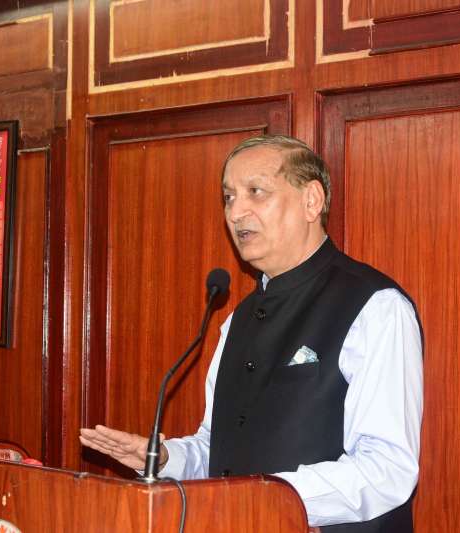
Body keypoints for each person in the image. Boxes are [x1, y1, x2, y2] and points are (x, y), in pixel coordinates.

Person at [80, 135, 423, 533]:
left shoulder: (374, 306)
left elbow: (387, 468)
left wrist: (267, 498)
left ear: (311, 201)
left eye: (256, 192)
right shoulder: (235, 320)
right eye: (229, 197)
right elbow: (218, 451)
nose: (236, 212)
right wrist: (164, 458)